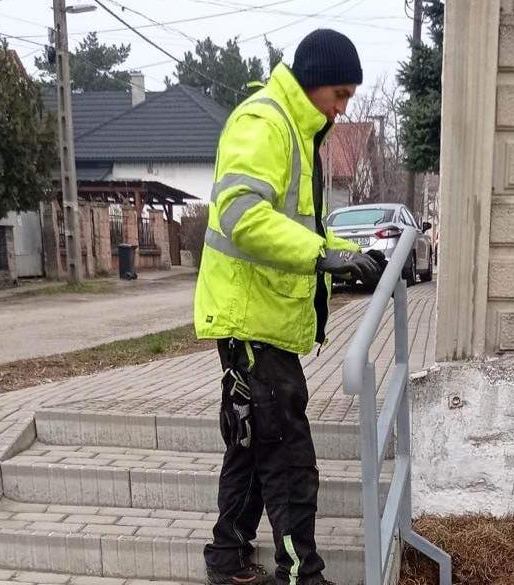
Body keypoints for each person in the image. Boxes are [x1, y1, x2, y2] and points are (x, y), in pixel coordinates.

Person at [193, 29, 383, 585]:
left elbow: (300, 224)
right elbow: (242, 214)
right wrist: (321, 255)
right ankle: (301, 574)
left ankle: (227, 558)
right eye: (340, 94)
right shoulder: (265, 122)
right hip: (250, 320)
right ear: (314, 81)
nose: (343, 106)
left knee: (254, 445)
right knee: (287, 456)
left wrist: (346, 256)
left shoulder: (299, 130)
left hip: (263, 319)